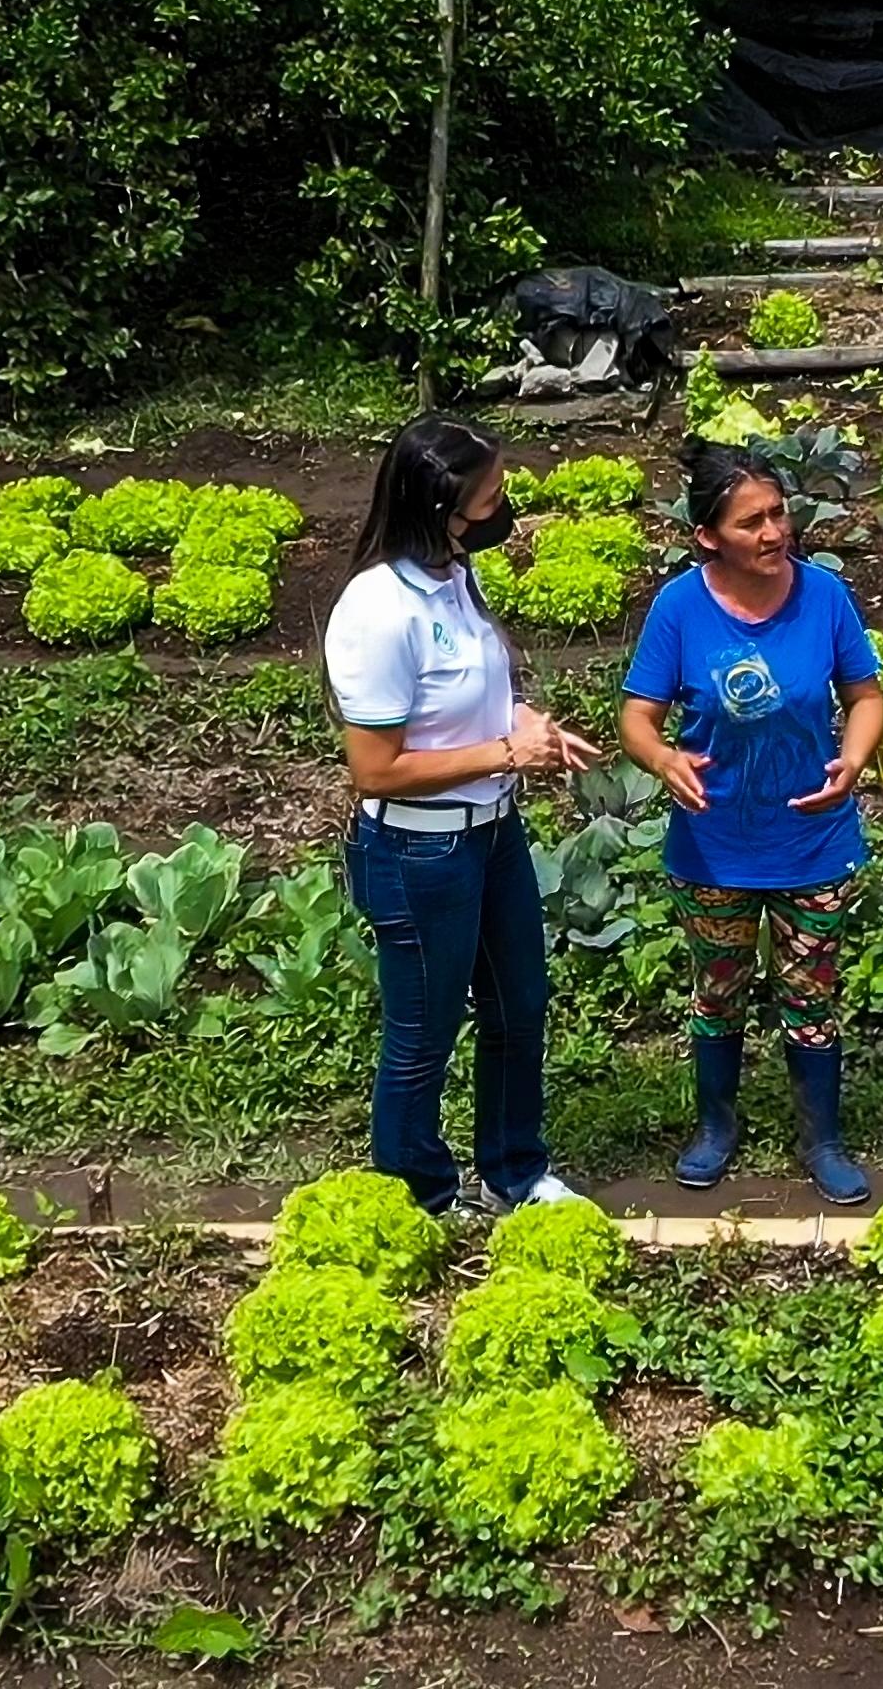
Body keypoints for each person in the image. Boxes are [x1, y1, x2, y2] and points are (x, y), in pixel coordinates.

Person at [324, 417, 603, 1215]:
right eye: (492, 496)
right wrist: (504, 757)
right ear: (443, 505)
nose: (504, 506)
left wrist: (521, 721)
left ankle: (517, 1170)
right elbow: (375, 770)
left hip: (491, 833)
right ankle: (418, 1192)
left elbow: (463, 699)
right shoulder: (378, 610)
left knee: (520, 1006)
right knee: (424, 1033)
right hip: (421, 854)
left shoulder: (453, 573)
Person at [621, 442, 883, 1204]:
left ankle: (823, 1138)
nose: (775, 533)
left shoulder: (825, 597)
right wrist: (662, 759)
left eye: (779, 514)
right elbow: (638, 717)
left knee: (812, 992)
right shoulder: (679, 607)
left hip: (813, 837)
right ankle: (715, 1127)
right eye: (752, 522)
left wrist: (854, 760)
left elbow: (865, 696)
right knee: (719, 989)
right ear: (709, 536)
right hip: (714, 847)